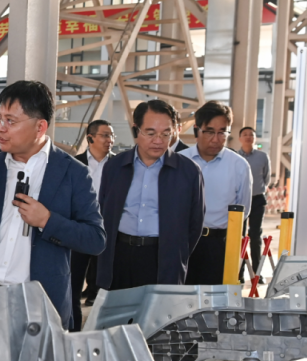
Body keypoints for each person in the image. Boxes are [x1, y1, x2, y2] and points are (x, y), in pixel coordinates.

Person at [0, 80, 106, 329]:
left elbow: (95, 239)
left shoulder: (72, 172)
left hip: (41, 304)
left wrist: (47, 221)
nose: (0, 128)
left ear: (40, 126)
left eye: (10, 121)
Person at [97, 100, 205, 291]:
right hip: (119, 256)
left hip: (163, 259)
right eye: (150, 133)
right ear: (136, 130)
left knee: (158, 310)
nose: (158, 140)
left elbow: (195, 224)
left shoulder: (188, 171)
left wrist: (177, 254)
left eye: (166, 134)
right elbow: (104, 212)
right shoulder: (115, 166)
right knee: (118, 309)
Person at [181, 101, 251, 286]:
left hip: (219, 246)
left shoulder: (239, 166)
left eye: (222, 132)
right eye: (209, 132)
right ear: (197, 130)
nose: (216, 139)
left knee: (216, 299)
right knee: (180, 298)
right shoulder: (181, 162)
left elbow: (244, 210)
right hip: (182, 244)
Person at [70, 119, 115, 331]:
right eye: (105, 135)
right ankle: (73, 330)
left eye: (111, 135)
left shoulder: (119, 165)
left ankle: (104, 332)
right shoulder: (74, 164)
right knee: (73, 283)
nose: (110, 140)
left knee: (106, 285)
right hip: (80, 230)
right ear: (90, 138)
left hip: (109, 231)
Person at [237, 126, 271, 283]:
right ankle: (239, 273)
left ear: (255, 138)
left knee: (255, 236)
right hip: (240, 201)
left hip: (257, 200)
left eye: (251, 134)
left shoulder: (263, 157)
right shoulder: (235, 157)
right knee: (239, 237)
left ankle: (257, 274)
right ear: (240, 138)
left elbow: (266, 179)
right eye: (245, 134)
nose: (248, 137)